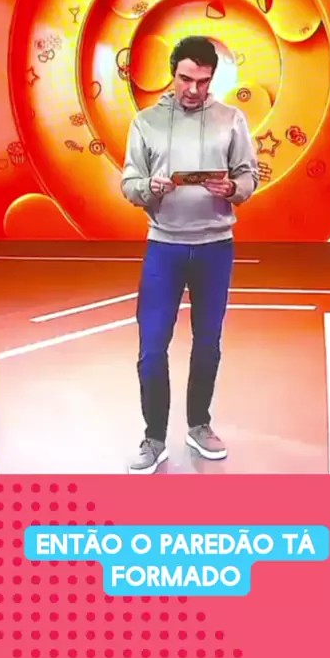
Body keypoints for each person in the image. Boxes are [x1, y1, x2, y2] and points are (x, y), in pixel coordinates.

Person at [121, 35, 259, 474]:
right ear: (172, 74)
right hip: (164, 246)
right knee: (151, 346)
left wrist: (233, 188)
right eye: (185, 79)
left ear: (212, 78)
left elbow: (249, 176)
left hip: (216, 247)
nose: (193, 89)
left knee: (208, 342)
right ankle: (153, 438)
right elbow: (129, 184)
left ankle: (199, 424)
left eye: (202, 81)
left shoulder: (231, 119)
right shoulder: (145, 122)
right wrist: (149, 187)